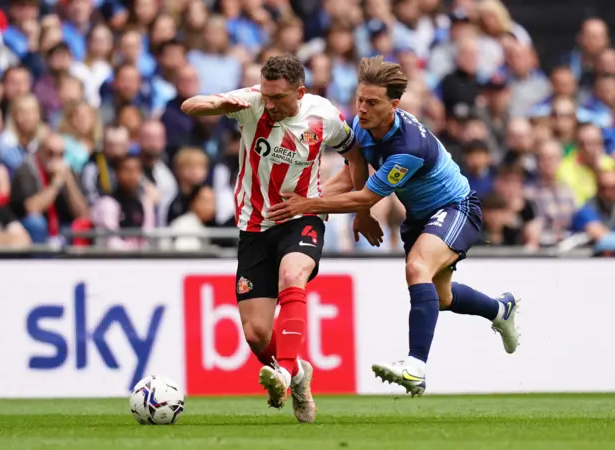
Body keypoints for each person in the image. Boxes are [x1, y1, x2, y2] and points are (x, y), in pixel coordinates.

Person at [267, 56, 520, 397]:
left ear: (394, 104)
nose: (362, 108)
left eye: (372, 102)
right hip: (420, 218)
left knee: (417, 268)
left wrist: (309, 205)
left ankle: (415, 367)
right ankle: (499, 309)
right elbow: (351, 177)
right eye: (359, 99)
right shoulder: (363, 125)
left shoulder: (408, 148)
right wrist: (310, 200)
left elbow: (366, 197)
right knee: (441, 297)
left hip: (455, 208)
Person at [180, 55, 372, 422]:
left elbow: (356, 157)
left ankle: (284, 370)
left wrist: (359, 208)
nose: (269, 104)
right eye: (266, 95)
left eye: (278, 98)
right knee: (255, 334)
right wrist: (217, 104)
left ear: (299, 92)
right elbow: (191, 106)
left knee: (292, 276)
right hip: (254, 225)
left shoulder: (324, 116)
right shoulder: (251, 103)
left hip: (301, 216)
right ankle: (299, 375)